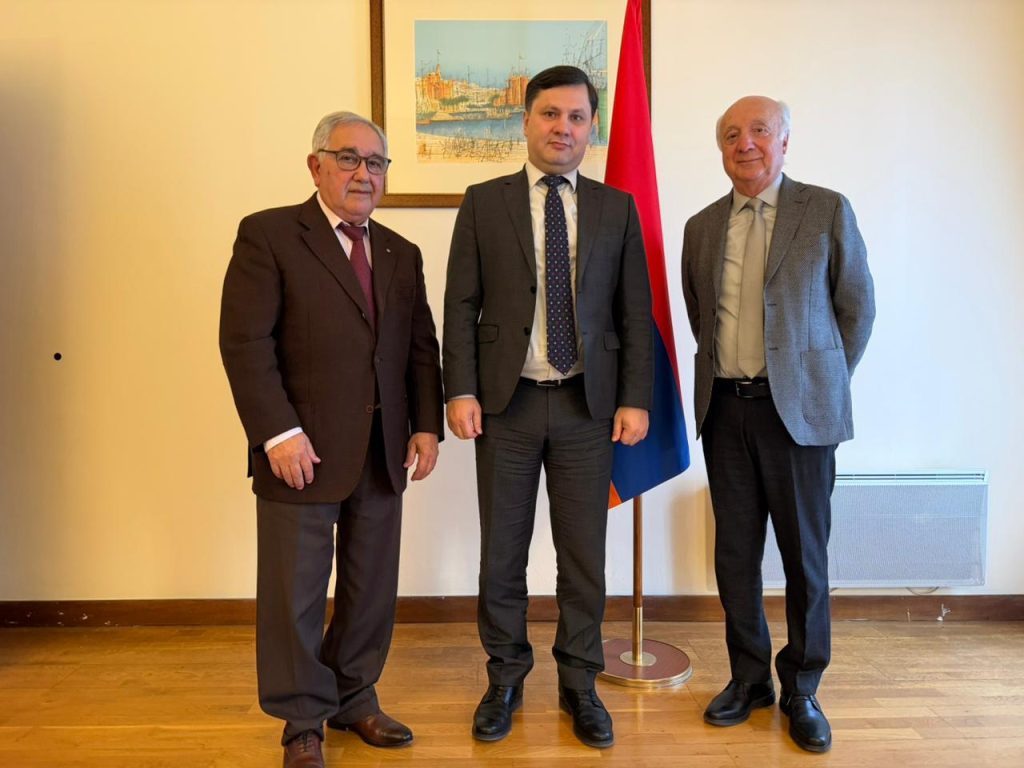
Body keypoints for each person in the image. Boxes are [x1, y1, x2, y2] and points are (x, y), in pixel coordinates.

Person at [219, 111, 444, 768]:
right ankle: (301, 720)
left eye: (375, 162)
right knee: (295, 593)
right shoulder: (269, 235)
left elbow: (420, 348)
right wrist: (277, 433)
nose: (363, 173)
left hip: (382, 449)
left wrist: (425, 425)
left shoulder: (401, 251)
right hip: (301, 451)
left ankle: (354, 697)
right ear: (315, 165)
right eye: (348, 158)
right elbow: (245, 343)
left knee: (371, 586)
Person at [443, 65, 652, 750]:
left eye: (577, 117)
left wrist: (635, 399)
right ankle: (504, 678)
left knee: (583, 557)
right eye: (551, 114)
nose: (564, 128)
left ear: (592, 128)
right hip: (504, 408)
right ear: (526, 121)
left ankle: (579, 683)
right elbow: (461, 303)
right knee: (501, 555)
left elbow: (634, 312)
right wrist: (460, 388)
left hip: (589, 409)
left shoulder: (617, 208)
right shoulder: (484, 202)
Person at [681, 95, 875, 753]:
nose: (745, 143)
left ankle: (802, 688)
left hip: (800, 419)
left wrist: (818, 382)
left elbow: (857, 309)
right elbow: (700, 316)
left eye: (759, 130)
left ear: (784, 141)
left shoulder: (826, 210)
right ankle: (749, 679)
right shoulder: (701, 227)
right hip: (724, 411)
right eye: (732, 134)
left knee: (804, 559)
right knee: (735, 556)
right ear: (721, 149)